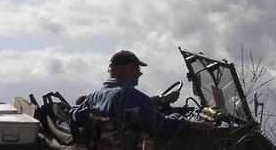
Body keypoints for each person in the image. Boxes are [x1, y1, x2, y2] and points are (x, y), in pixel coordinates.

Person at [70, 50, 205, 140]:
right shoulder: (128, 94)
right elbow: (160, 125)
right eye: (137, 68)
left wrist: (159, 100)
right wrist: (189, 123)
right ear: (123, 68)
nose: (140, 73)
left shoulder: (94, 96)